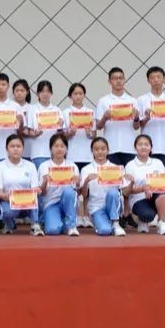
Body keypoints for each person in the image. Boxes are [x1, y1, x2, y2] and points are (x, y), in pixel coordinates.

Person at [0, 135, 43, 236]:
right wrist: (6, 197)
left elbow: (35, 187)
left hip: (28, 202)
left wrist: (37, 190)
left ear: (23, 148)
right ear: (6, 148)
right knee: (5, 211)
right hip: (9, 201)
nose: (15, 149)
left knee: (36, 198)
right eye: (12, 146)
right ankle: (8, 223)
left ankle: (35, 224)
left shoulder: (30, 166)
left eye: (18, 146)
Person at [122, 134, 165, 235]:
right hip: (138, 199)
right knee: (147, 215)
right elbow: (126, 191)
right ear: (135, 147)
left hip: (156, 196)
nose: (143, 147)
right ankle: (143, 220)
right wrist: (143, 188)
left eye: (146, 144)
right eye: (140, 144)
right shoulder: (130, 165)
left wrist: (152, 188)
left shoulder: (158, 163)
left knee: (162, 195)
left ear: (151, 147)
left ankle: (161, 222)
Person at [80, 137, 127, 236]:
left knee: (113, 192)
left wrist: (130, 181)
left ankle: (116, 223)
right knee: (104, 231)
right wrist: (86, 181)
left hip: (113, 205)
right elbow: (84, 195)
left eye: (103, 149)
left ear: (108, 150)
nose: (100, 152)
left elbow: (125, 191)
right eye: (96, 149)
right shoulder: (86, 169)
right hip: (96, 207)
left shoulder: (116, 168)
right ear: (92, 151)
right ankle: (104, 223)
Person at [37, 134, 82, 236]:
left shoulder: (72, 166)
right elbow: (42, 193)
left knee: (68, 191)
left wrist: (78, 182)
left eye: (62, 146)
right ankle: (61, 221)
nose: (59, 149)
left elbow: (77, 193)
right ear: (50, 148)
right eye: (56, 146)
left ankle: (71, 226)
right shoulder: (44, 166)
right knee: (52, 230)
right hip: (51, 203)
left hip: (67, 203)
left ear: (66, 149)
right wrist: (45, 181)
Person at [64, 82, 95, 229]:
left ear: (84, 95)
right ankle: (76, 216)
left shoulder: (90, 112)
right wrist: (69, 133)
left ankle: (86, 216)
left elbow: (94, 135)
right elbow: (62, 135)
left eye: (80, 93)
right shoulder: (65, 112)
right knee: (75, 187)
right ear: (70, 96)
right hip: (71, 155)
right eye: (75, 94)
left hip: (87, 155)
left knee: (87, 188)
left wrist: (90, 133)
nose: (78, 96)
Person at [135, 67, 165, 172]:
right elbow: (138, 125)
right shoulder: (141, 100)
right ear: (148, 80)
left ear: (164, 79)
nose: (156, 80)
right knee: (147, 177)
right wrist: (147, 117)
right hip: (147, 148)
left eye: (159, 77)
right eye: (153, 78)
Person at [95, 68, 138, 167]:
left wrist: (136, 117)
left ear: (124, 80)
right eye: (115, 78)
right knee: (112, 176)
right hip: (111, 148)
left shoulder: (132, 101)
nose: (118, 81)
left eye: (120, 78)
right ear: (109, 82)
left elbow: (136, 127)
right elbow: (98, 126)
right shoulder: (103, 101)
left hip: (129, 147)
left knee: (129, 175)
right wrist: (104, 118)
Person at [24, 81, 64, 168]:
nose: (45, 94)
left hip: (55, 153)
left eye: (48, 91)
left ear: (51, 93)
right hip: (38, 153)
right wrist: (35, 134)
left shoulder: (56, 110)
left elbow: (61, 133)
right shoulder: (32, 109)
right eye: (42, 91)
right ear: (37, 93)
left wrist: (60, 128)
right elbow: (28, 131)